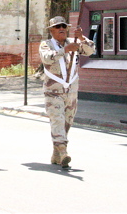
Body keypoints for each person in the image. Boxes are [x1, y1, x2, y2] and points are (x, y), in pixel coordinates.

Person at [39, 16, 95, 168]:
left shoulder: (74, 43)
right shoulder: (46, 44)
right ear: (51, 30)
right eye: (57, 27)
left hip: (71, 91)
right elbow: (47, 58)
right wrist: (64, 50)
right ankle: (63, 151)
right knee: (57, 120)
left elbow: (90, 51)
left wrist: (81, 37)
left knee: (66, 123)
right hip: (53, 92)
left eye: (64, 26)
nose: (61, 28)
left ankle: (56, 153)